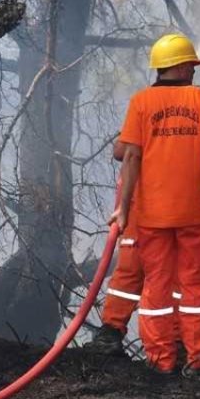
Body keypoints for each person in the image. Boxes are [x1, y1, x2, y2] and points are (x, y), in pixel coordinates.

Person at [110, 33, 200, 375]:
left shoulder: (140, 102)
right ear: (182, 66)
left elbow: (130, 156)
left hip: (152, 214)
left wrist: (124, 209)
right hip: (194, 212)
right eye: (192, 65)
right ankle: (199, 358)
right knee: (195, 285)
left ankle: (160, 360)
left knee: (156, 285)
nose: (195, 71)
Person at [83, 141, 144, 356]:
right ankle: (174, 345)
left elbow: (121, 152)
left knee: (130, 271)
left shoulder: (144, 110)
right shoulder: (192, 113)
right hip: (169, 208)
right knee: (169, 279)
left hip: (144, 210)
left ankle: (110, 334)